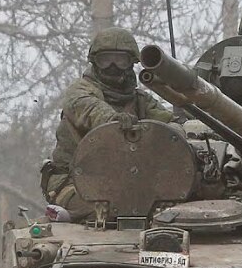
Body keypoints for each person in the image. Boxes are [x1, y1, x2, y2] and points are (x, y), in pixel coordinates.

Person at [43, 27, 174, 220]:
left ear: (131, 63)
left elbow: (169, 125)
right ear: (94, 62)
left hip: (129, 185)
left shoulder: (140, 100)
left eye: (120, 60)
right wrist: (114, 120)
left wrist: (186, 127)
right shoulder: (79, 92)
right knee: (111, 212)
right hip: (74, 183)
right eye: (105, 60)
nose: (113, 67)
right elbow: (89, 110)